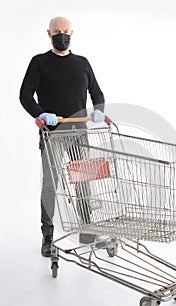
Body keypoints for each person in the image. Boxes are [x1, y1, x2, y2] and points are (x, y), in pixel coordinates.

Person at [19, 16, 105, 257]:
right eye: (57, 31)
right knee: (50, 185)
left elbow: (96, 92)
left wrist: (98, 109)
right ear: (48, 33)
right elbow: (25, 96)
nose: (62, 35)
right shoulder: (39, 62)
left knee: (83, 182)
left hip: (79, 132)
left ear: (72, 33)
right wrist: (41, 114)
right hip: (52, 134)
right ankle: (47, 236)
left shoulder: (82, 63)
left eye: (65, 31)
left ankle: (87, 230)